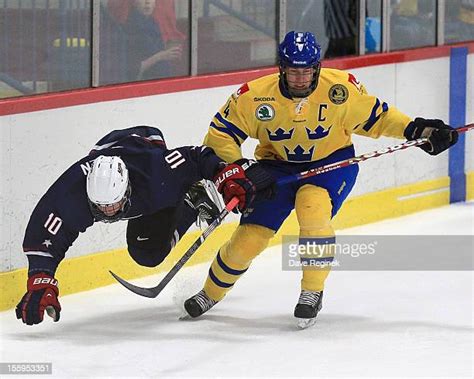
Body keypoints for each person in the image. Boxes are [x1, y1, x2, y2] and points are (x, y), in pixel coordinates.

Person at [183, 31, 459, 327]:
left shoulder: (340, 89)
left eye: (306, 71)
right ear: (281, 68)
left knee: (312, 206)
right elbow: (220, 134)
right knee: (249, 238)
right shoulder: (254, 96)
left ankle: (312, 291)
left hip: (332, 163)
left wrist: (420, 131)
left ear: (316, 68)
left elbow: (378, 118)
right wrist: (239, 167)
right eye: (293, 71)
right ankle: (210, 292)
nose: (300, 79)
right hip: (275, 168)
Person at [15, 125, 270, 326]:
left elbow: (197, 157)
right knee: (146, 253)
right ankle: (192, 201)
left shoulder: (157, 175)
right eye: (101, 208)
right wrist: (41, 278)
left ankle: (192, 197)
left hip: (146, 145)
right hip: (110, 147)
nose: (108, 213)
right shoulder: (75, 192)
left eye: (113, 206)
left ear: (126, 191)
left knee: (150, 252)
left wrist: (224, 175)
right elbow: (44, 232)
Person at [106, 0, 186, 81]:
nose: (147, 2)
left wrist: (169, 52)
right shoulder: (130, 28)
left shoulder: (153, 22)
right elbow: (133, 69)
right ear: (133, 2)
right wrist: (161, 56)